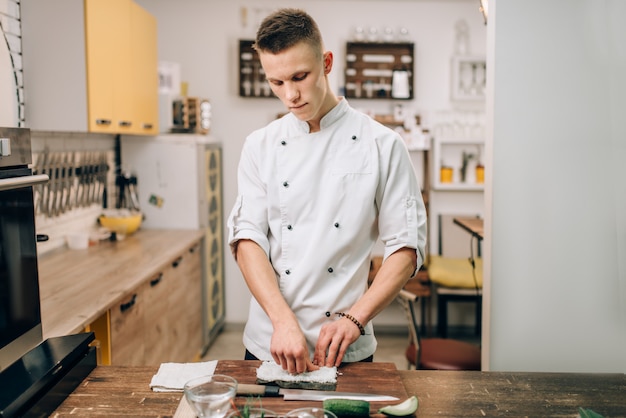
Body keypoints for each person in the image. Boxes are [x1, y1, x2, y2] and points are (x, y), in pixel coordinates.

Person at [227, 8, 427, 374]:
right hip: (269, 340)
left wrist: (355, 319)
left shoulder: (383, 144)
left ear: (327, 62)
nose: (290, 95)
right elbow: (247, 239)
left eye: (300, 77)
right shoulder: (260, 146)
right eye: (276, 83)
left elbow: (406, 247)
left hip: (345, 344)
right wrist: (282, 321)